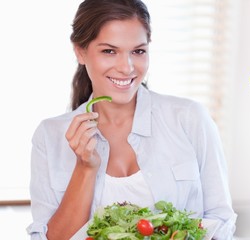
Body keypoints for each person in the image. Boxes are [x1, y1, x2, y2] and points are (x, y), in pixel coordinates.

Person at [27, 0, 236, 239]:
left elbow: (221, 222)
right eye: (109, 51)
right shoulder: (49, 136)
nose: (126, 68)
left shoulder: (189, 118)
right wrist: (85, 167)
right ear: (80, 51)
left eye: (138, 51)